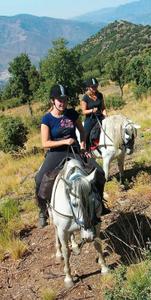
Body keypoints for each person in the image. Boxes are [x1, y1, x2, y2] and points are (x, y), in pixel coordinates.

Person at [35, 84, 109, 228]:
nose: (63, 102)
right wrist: (64, 141)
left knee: (99, 172)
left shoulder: (72, 114)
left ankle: (99, 203)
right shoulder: (47, 119)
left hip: (74, 150)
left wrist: (82, 145)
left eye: (65, 99)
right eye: (59, 100)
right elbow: (45, 143)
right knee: (39, 179)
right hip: (56, 152)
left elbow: (82, 132)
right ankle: (43, 211)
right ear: (53, 100)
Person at [80, 78, 107, 150]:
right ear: (88, 87)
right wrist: (91, 110)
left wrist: (105, 116)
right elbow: (83, 111)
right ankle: (84, 148)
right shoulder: (85, 98)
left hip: (100, 117)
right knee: (85, 132)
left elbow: (103, 108)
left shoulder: (100, 95)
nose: (95, 88)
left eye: (96, 86)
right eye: (93, 86)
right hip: (90, 118)